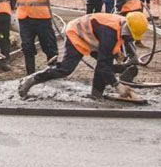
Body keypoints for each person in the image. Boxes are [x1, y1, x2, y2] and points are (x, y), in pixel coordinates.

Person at [18, 11, 149, 100]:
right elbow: (104, 63)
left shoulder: (123, 24)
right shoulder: (110, 32)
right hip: (77, 34)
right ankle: (33, 79)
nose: (131, 39)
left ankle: (96, 95)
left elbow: (107, 52)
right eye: (132, 36)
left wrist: (115, 53)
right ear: (129, 29)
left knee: (105, 64)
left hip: (92, 37)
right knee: (65, 70)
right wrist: (117, 85)